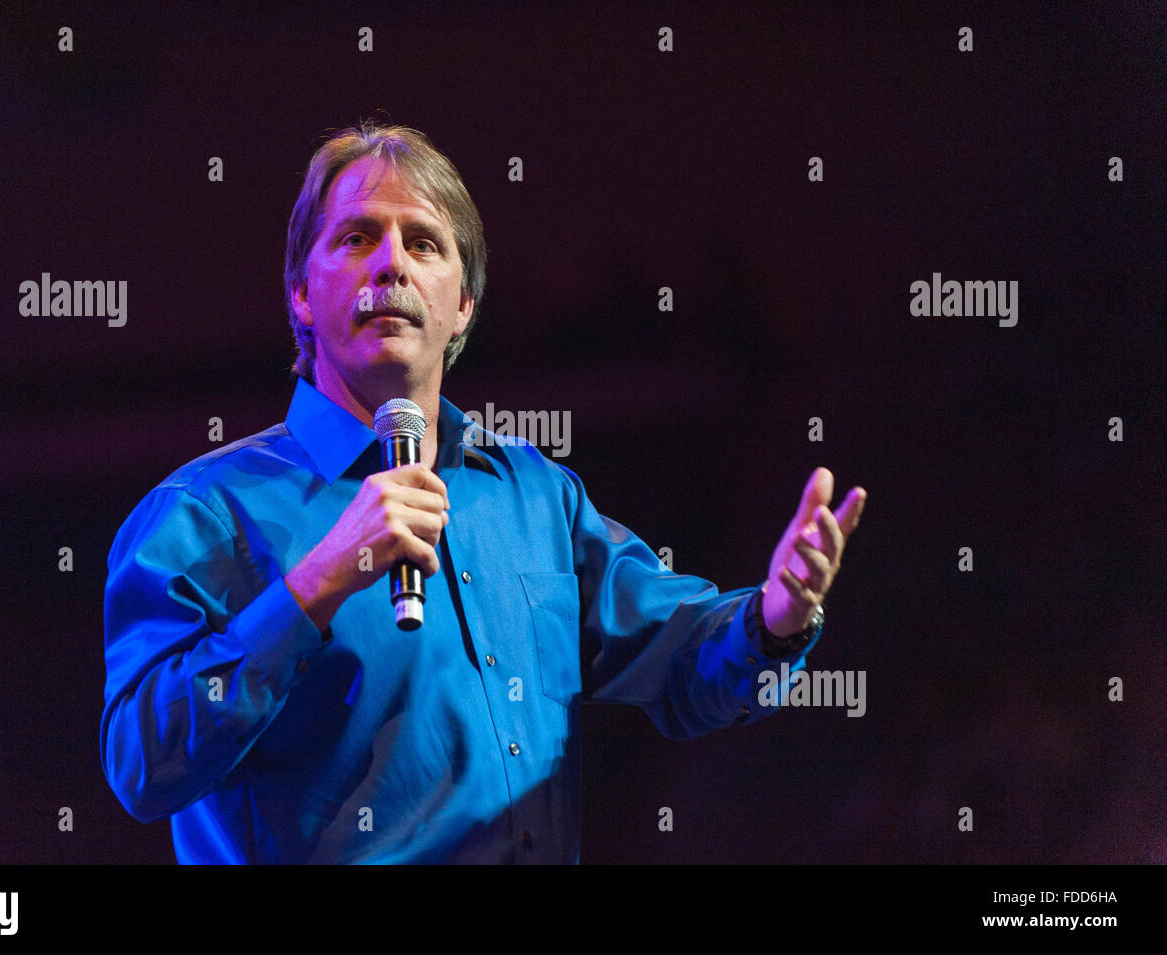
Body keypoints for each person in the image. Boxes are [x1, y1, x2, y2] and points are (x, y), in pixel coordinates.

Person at [100, 120, 867, 864]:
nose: (390, 264)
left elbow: (682, 661)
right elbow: (141, 763)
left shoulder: (532, 496)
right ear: (301, 290)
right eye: (357, 237)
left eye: (423, 243)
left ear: (462, 302)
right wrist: (314, 586)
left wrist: (774, 618)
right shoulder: (207, 511)